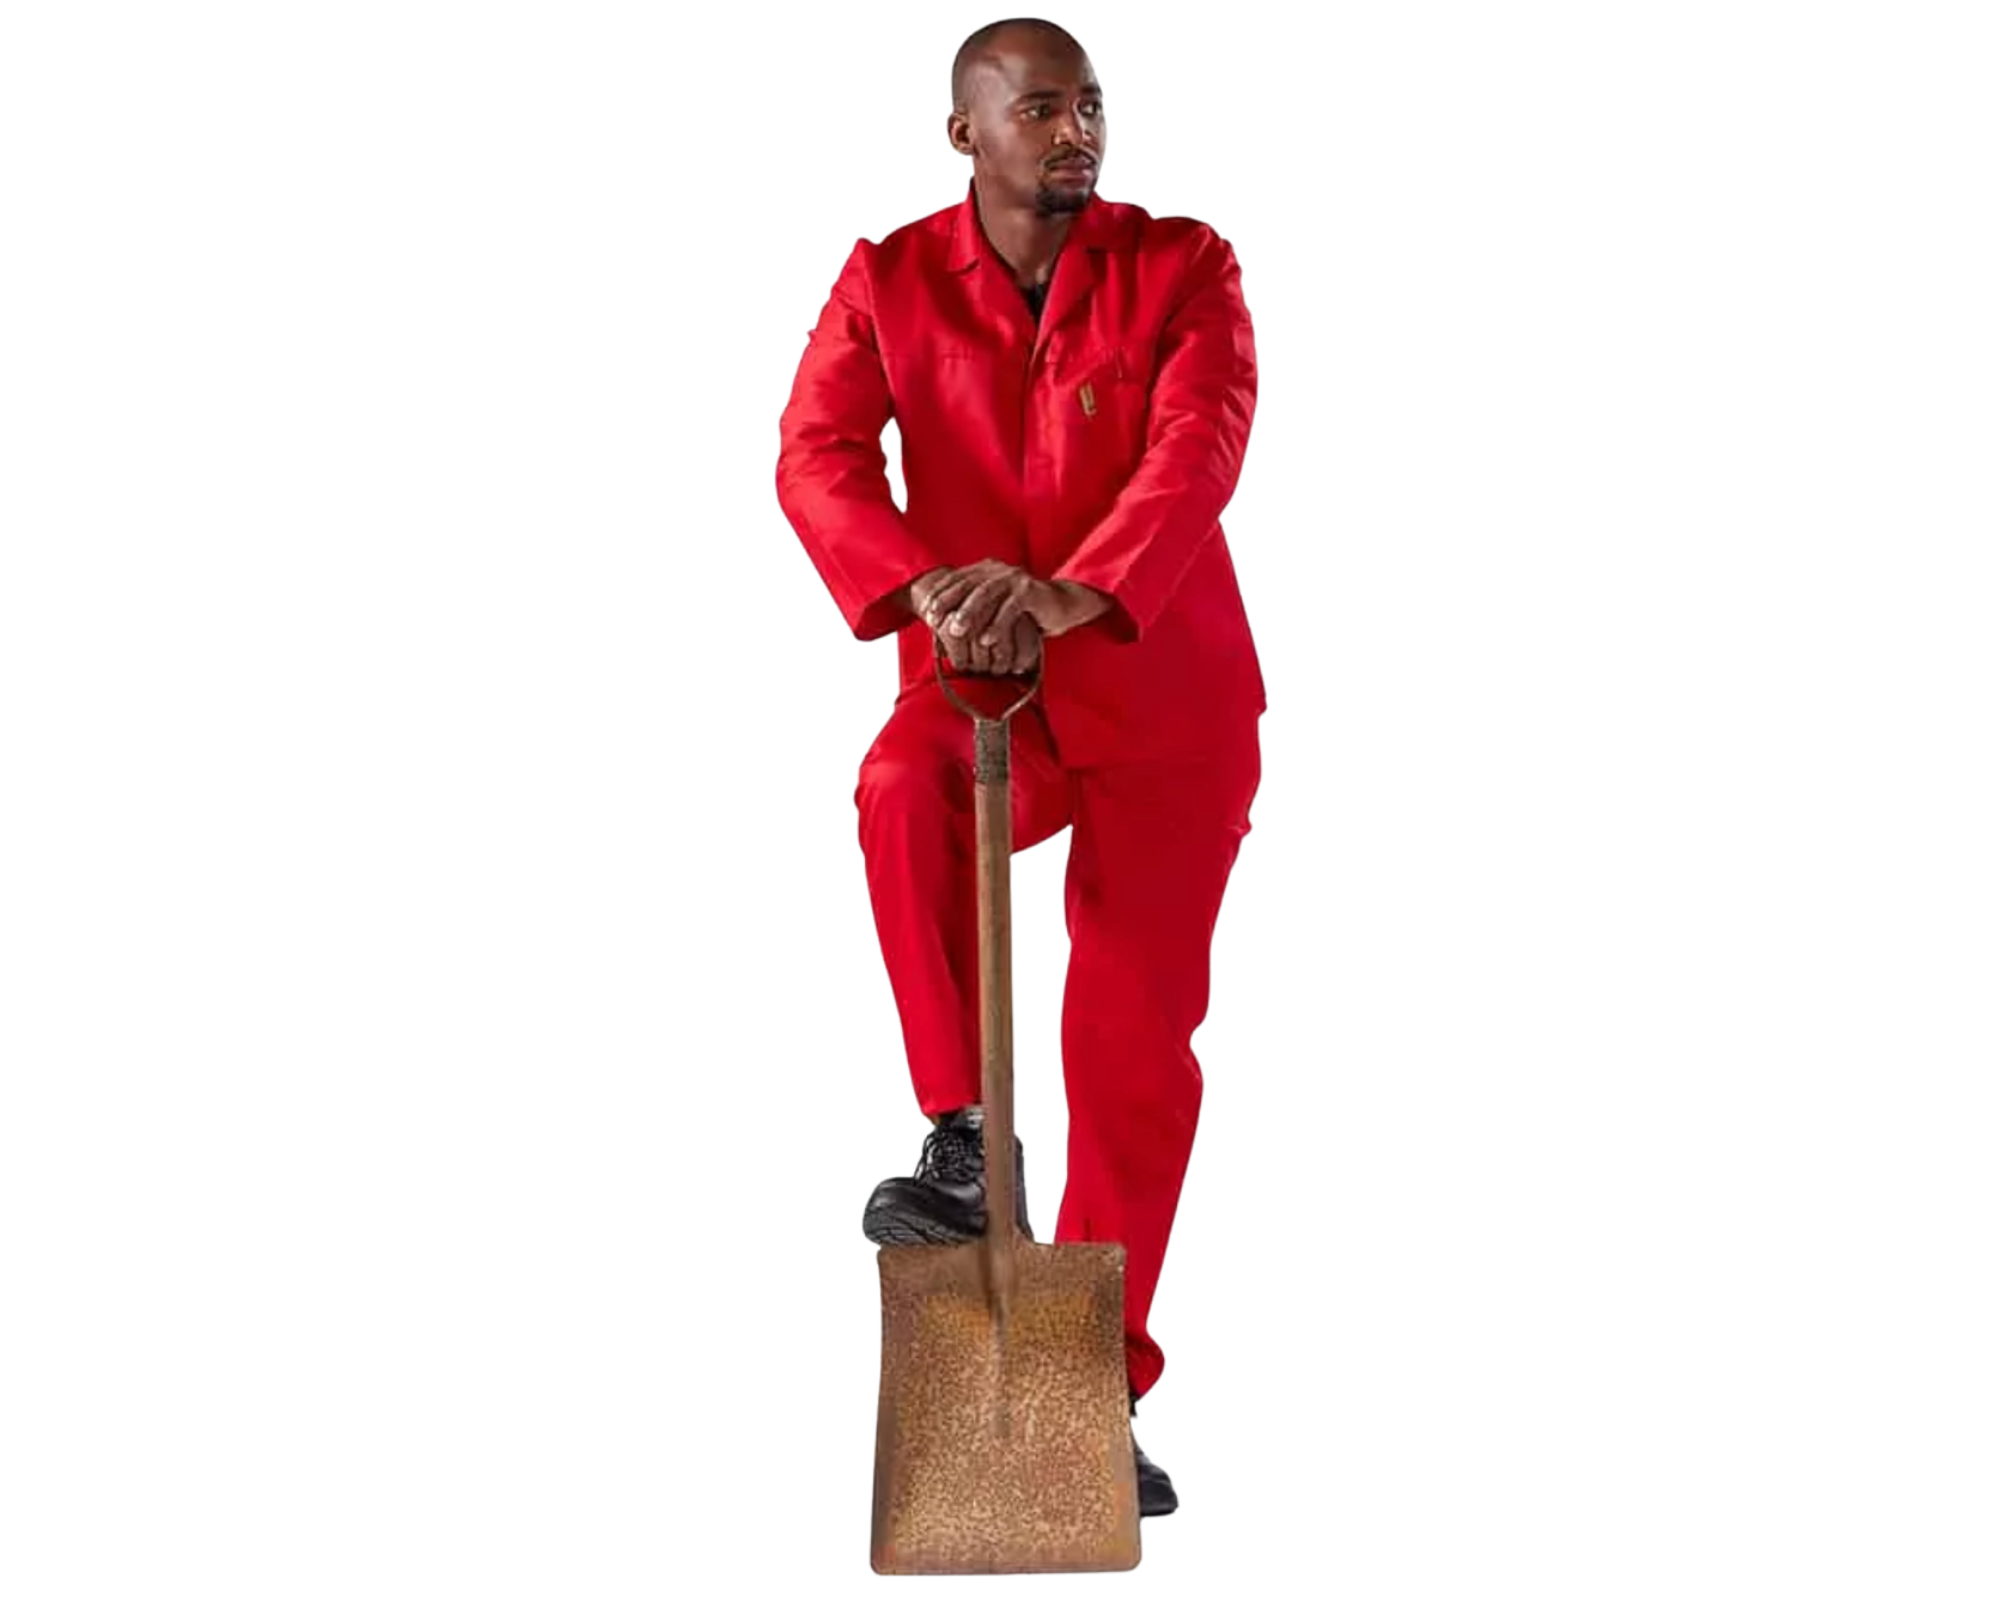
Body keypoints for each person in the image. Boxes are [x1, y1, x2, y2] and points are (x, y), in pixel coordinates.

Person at [775, 16, 1265, 1518]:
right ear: (966, 134)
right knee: (898, 787)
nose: (1077, 131)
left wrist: (1073, 591)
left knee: (1129, 1051)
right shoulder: (887, 281)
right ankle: (965, 1137)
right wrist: (924, 585)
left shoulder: (1183, 266)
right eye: (1042, 108)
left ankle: (1092, 1388)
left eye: (1090, 105)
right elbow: (816, 454)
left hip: (1162, 695)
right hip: (987, 685)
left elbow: (1198, 443)